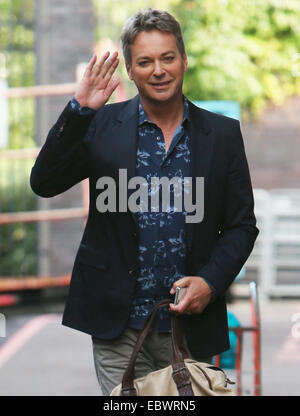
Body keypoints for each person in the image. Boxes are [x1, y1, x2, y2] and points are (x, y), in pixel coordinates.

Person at [30, 8, 259, 395]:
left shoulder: (221, 135)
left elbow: (241, 225)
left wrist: (210, 282)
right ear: (131, 72)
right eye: (145, 62)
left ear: (184, 61)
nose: (159, 70)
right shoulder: (102, 125)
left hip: (193, 327)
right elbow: (45, 182)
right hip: (118, 325)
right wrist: (79, 111)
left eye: (168, 58)